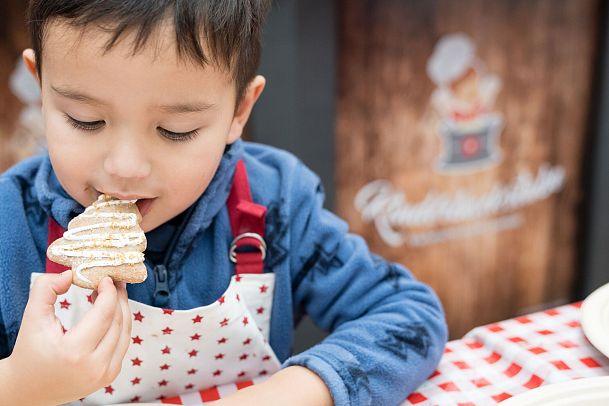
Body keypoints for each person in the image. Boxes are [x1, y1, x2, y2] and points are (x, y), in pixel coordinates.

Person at [0, 1, 448, 405]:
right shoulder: (9, 224)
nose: (125, 167)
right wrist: (19, 385)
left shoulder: (276, 204)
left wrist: (292, 393)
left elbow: (409, 318)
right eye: (86, 120)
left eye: (176, 130)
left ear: (239, 110)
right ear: (40, 87)